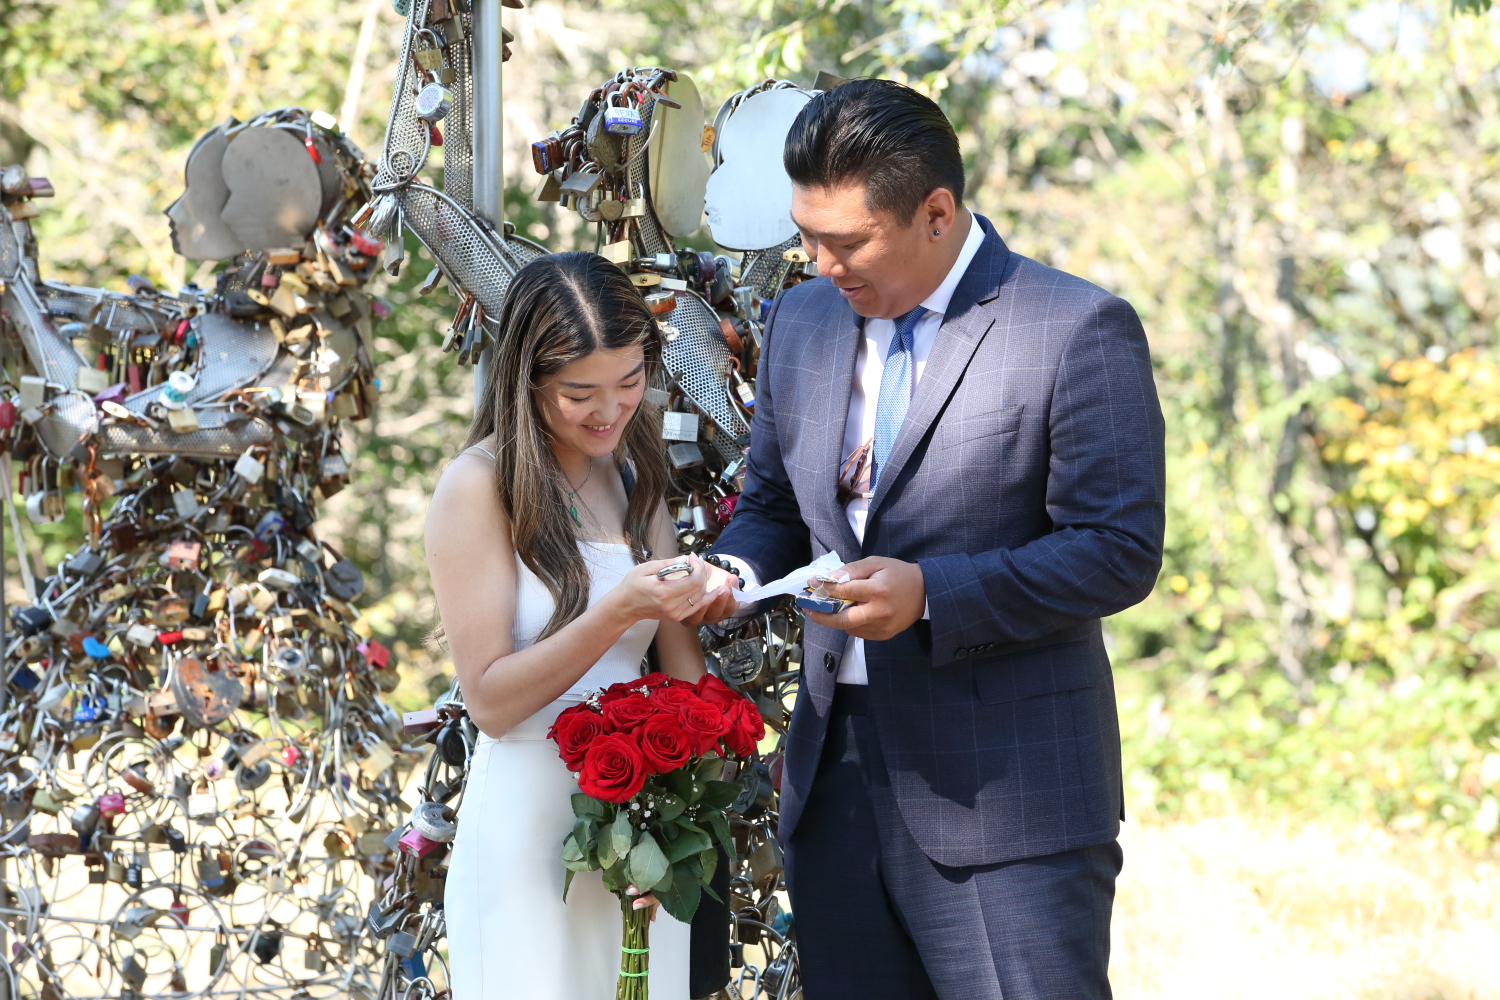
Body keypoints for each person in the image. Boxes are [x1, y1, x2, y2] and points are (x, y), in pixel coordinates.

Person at [687, 80, 1166, 999]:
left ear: (937, 212)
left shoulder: (1075, 328)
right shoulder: (802, 320)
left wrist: (932, 594)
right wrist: (732, 568)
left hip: (1009, 800)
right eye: (804, 234)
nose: (818, 262)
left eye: (846, 241)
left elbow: (1117, 547)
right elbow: (776, 504)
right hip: (834, 787)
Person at [428, 252, 732, 999]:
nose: (609, 411)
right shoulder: (477, 486)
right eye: (578, 393)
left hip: (640, 837)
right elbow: (492, 703)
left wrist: (712, 597)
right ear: (527, 379)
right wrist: (620, 610)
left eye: (630, 384)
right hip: (529, 837)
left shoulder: (633, 473)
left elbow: (685, 675)